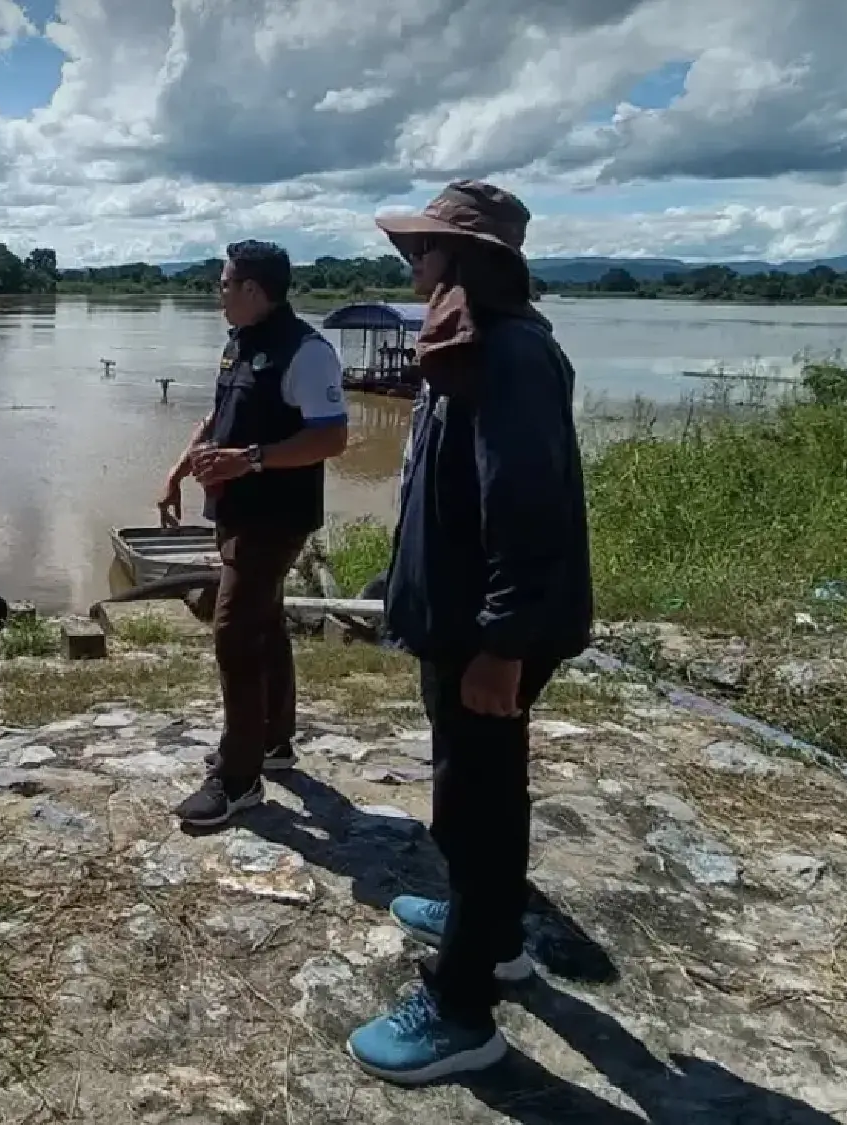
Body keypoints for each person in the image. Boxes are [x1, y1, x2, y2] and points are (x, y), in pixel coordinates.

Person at [343, 181, 593, 1084]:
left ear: (472, 260)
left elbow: (527, 508)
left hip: (491, 632)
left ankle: (461, 1009)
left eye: (426, 251)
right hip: (464, 621)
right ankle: (486, 931)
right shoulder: (464, 344)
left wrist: (504, 642)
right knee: (475, 789)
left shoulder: (507, 353)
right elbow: (451, 493)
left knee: (482, 804)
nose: (412, 266)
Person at [157, 239, 349, 828]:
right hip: (237, 511)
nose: (216, 294)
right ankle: (273, 743)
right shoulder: (241, 342)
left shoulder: (306, 352)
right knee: (263, 622)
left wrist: (252, 460)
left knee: (235, 631)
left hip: (277, 515)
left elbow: (331, 437)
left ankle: (239, 778)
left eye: (223, 284)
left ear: (252, 289)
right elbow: (218, 415)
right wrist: (180, 467)